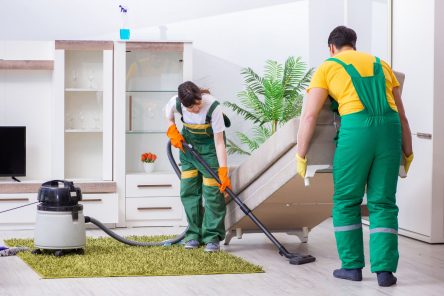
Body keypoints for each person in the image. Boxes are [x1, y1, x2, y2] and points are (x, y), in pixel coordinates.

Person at [296, 26, 413, 287]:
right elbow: (402, 115)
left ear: (331, 48)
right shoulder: (382, 64)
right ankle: (385, 273)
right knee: (383, 203)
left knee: (347, 200)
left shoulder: (328, 66)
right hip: (390, 130)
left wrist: (301, 155)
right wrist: (408, 151)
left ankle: (351, 267)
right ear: (354, 45)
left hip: (357, 130)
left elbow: (310, 115)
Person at [165, 81, 231, 252]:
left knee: (212, 195)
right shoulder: (176, 103)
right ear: (183, 104)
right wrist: (172, 129)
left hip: (210, 150)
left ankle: (212, 237)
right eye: (191, 108)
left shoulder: (213, 107)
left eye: (198, 104)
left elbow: (219, 142)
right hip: (188, 149)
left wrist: (223, 170)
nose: (196, 109)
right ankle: (194, 234)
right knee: (188, 191)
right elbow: (168, 113)